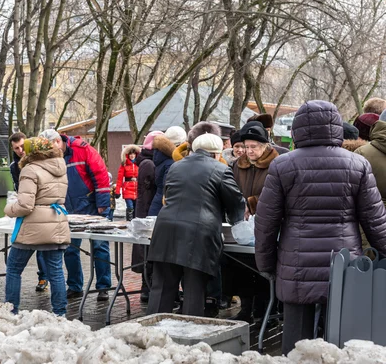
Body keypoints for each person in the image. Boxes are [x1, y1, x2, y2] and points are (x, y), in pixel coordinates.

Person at [255, 100, 386, 355]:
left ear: (298, 129)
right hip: (345, 266)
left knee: (296, 345)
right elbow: (375, 220)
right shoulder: (357, 165)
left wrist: (266, 264)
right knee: (341, 338)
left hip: (296, 266)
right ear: (336, 127)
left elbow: (265, 223)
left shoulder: (282, 165)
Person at [146, 133, 245, 316]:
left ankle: (152, 333)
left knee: (161, 290)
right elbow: (236, 202)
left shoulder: (176, 166)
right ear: (217, 153)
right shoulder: (220, 169)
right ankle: (189, 337)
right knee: (194, 291)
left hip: (165, 230)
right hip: (198, 235)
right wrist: (238, 223)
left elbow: (168, 195)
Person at [39, 129, 112, 301]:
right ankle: (74, 285)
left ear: (58, 142)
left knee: (100, 247)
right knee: (70, 248)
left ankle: (103, 287)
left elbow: (100, 174)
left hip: (91, 205)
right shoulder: (51, 156)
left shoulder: (82, 149)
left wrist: (102, 203)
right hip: (68, 207)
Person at [3, 137, 70, 316]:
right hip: (56, 222)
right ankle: (60, 313)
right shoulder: (60, 167)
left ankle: (10, 311)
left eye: (23, 149)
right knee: (56, 271)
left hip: (33, 227)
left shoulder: (30, 170)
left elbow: (25, 205)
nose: (21, 152)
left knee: (14, 268)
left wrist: (9, 209)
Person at [227, 120, 279, 322]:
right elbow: (231, 189)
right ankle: (246, 307)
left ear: (265, 146)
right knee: (241, 268)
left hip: (268, 225)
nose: (249, 151)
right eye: (246, 147)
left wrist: (252, 203)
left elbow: (276, 194)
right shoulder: (238, 166)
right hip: (243, 225)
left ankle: (266, 311)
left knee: (264, 268)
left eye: (253, 147)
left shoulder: (276, 164)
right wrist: (237, 205)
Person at [9, 132, 49, 293]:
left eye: (22, 146)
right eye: (16, 148)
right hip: (27, 208)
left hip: (43, 208)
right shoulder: (14, 166)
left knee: (43, 249)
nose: (20, 150)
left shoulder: (40, 161)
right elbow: (19, 189)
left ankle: (44, 277)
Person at [132, 130, 163, 302]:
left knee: (148, 252)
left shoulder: (146, 162)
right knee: (148, 252)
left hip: (145, 211)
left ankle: (148, 286)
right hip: (148, 213)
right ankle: (147, 287)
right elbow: (149, 191)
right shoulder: (149, 164)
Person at [114, 145, 141, 221]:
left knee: (136, 207)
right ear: (128, 155)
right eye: (130, 154)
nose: (132, 156)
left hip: (137, 188)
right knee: (130, 207)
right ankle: (129, 222)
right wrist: (117, 191)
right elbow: (119, 179)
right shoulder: (124, 165)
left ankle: (135, 222)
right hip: (127, 188)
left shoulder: (139, 164)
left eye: (133, 154)